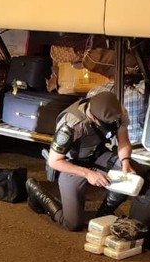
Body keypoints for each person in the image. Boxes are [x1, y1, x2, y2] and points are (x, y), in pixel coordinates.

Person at [26, 91, 136, 231]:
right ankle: (37, 191)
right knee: (72, 223)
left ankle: (103, 215)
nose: (113, 124)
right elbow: (54, 161)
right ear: (93, 117)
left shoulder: (117, 112)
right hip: (71, 162)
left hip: (97, 154)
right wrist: (88, 174)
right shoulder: (71, 124)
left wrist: (125, 162)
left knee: (129, 177)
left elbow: (123, 141)